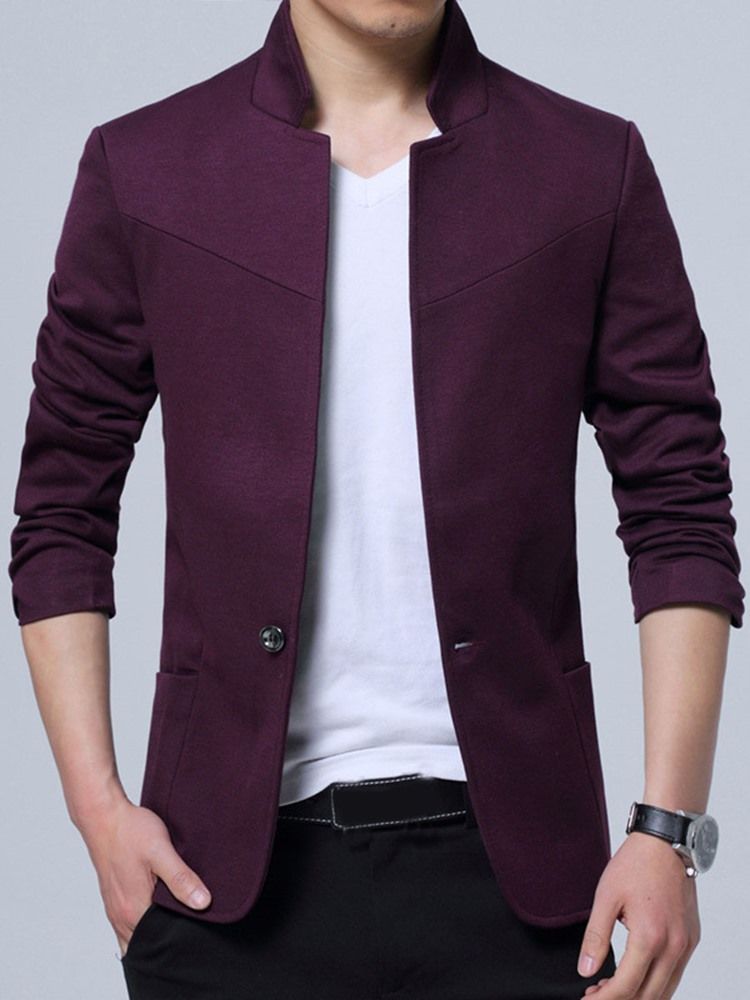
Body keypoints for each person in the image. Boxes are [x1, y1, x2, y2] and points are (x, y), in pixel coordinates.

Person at [8, 1, 744, 998]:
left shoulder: (585, 167)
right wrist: (97, 808)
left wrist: (668, 830)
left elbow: (679, 498)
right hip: (222, 894)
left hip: (523, 891)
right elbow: (61, 503)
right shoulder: (148, 169)